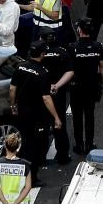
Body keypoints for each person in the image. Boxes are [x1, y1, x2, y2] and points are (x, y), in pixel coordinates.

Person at [9, 41, 62, 187]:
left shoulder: (20, 67)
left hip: (22, 113)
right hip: (38, 116)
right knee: (37, 146)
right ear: (42, 54)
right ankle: (32, 179)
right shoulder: (43, 73)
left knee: (24, 143)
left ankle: (21, 174)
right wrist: (56, 117)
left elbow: (12, 89)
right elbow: (46, 97)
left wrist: (13, 105)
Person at [68, 18, 103, 155]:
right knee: (90, 116)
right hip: (91, 86)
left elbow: (69, 70)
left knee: (77, 117)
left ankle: (79, 145)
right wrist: (101, 82)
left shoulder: (73, 48)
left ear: (79, 30)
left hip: (76, 87)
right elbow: (102, 67)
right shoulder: (97, 46)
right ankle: (89, 144)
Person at [40, 29, 74, 165]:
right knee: (59, 124)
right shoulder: (63, 52)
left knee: (41, 125)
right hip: (57, 94)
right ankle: (63, 156)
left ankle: (41, 158)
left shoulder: (38, 53)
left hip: (42, 94)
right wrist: (57, 86)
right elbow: (70, 71)